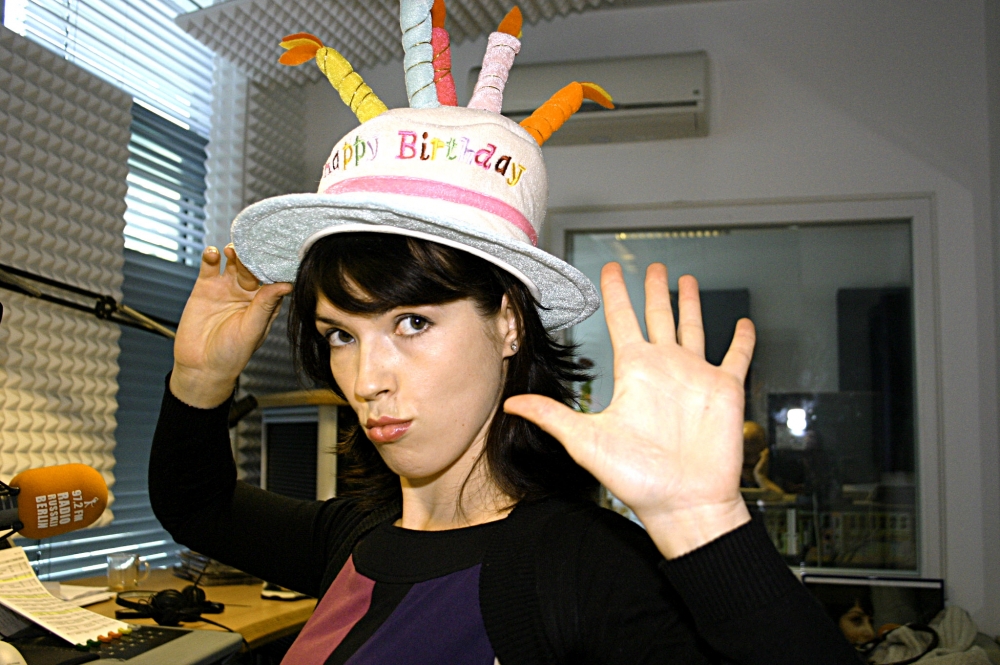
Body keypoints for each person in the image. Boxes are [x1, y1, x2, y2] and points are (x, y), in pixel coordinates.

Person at [149, 3, 861, 663]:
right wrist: (201, 379)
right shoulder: (355, 536)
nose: (367, 380)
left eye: (413, 322)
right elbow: (196, 505)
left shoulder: (580, 568)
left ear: (510, 323)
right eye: (341, 335)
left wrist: (707, 524)